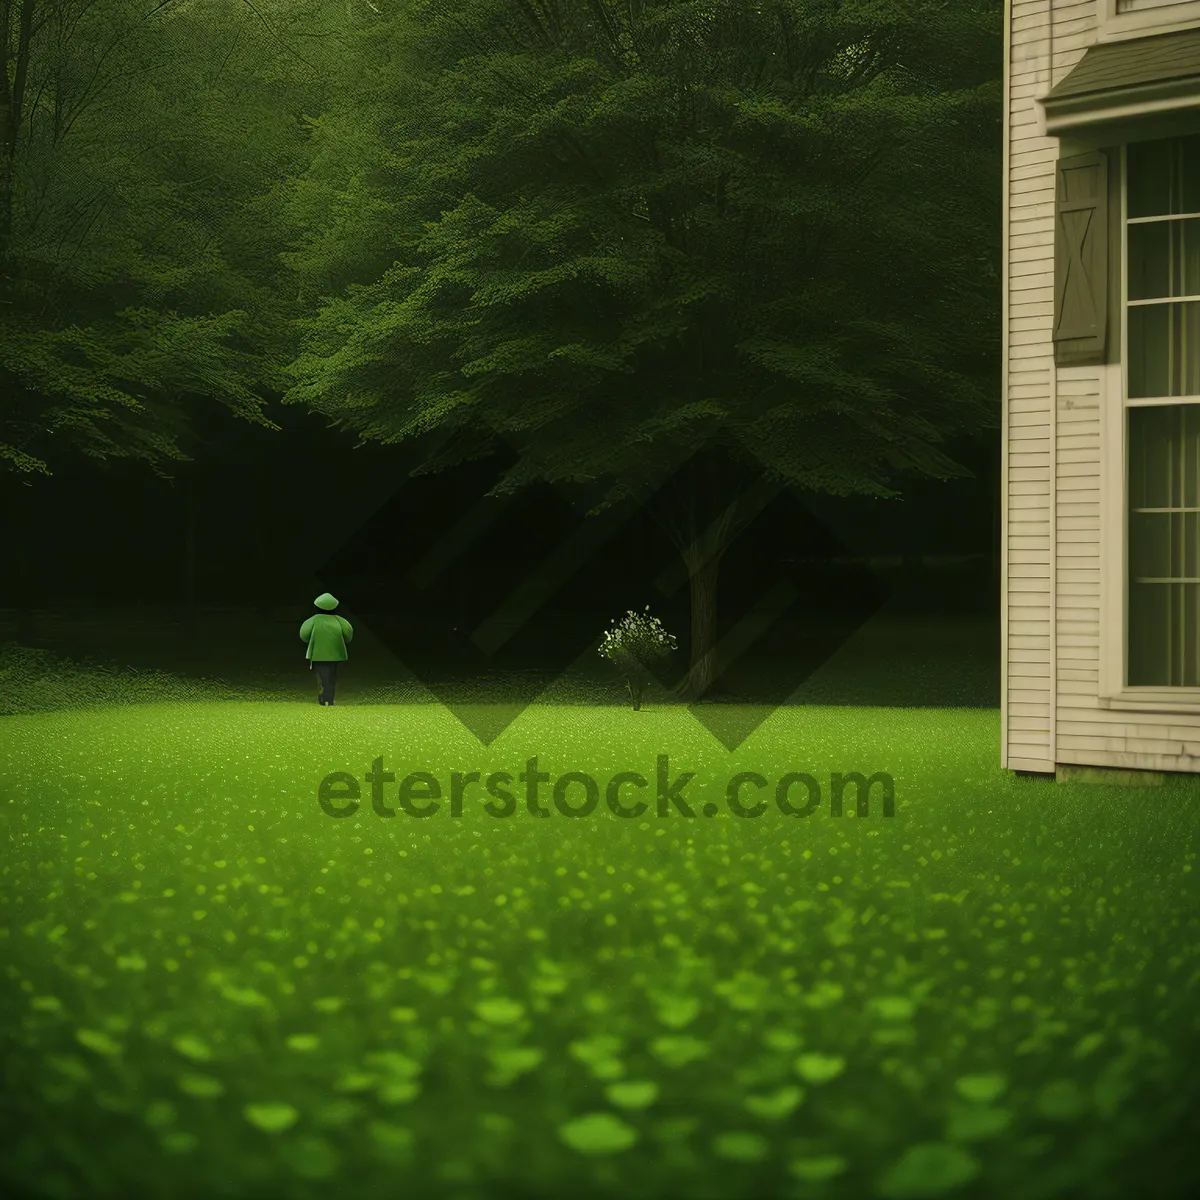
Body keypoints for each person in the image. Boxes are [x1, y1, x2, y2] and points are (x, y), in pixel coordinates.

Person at [300, 593, 353, 705]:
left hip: (317, 654)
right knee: (331, 677)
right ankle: (329, 698)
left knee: (321, 676)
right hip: (335, 654)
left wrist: (311, 641)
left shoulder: (313, 620)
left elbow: (304, 634)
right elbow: (348, 634)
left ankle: (322, 697)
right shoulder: (340, 621)